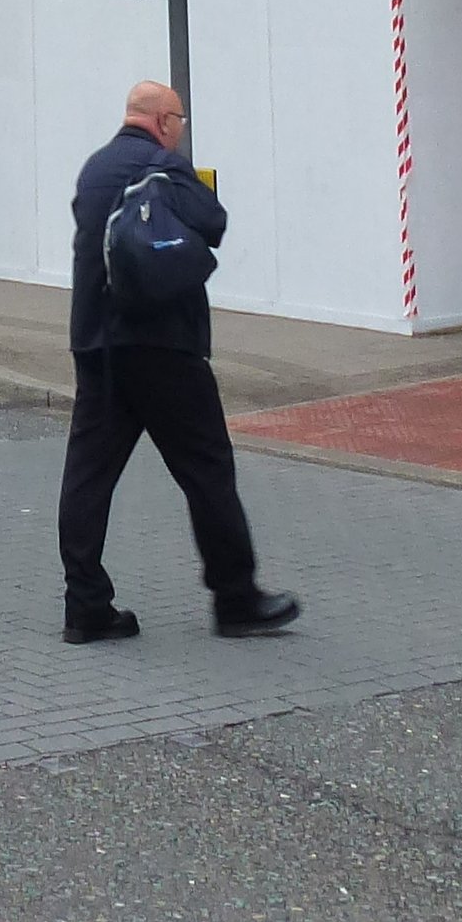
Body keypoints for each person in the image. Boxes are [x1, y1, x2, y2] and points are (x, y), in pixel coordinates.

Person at [58, 78, 299, 646]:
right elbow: (214, 222)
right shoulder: (167, 167)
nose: (181, 129)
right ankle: (236, 599)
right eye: (180, 120)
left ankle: (86, 605)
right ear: (164, 120)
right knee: (206, 471)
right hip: (165, 347)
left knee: (89, 478)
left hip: (97, 344)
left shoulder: (94, 170)